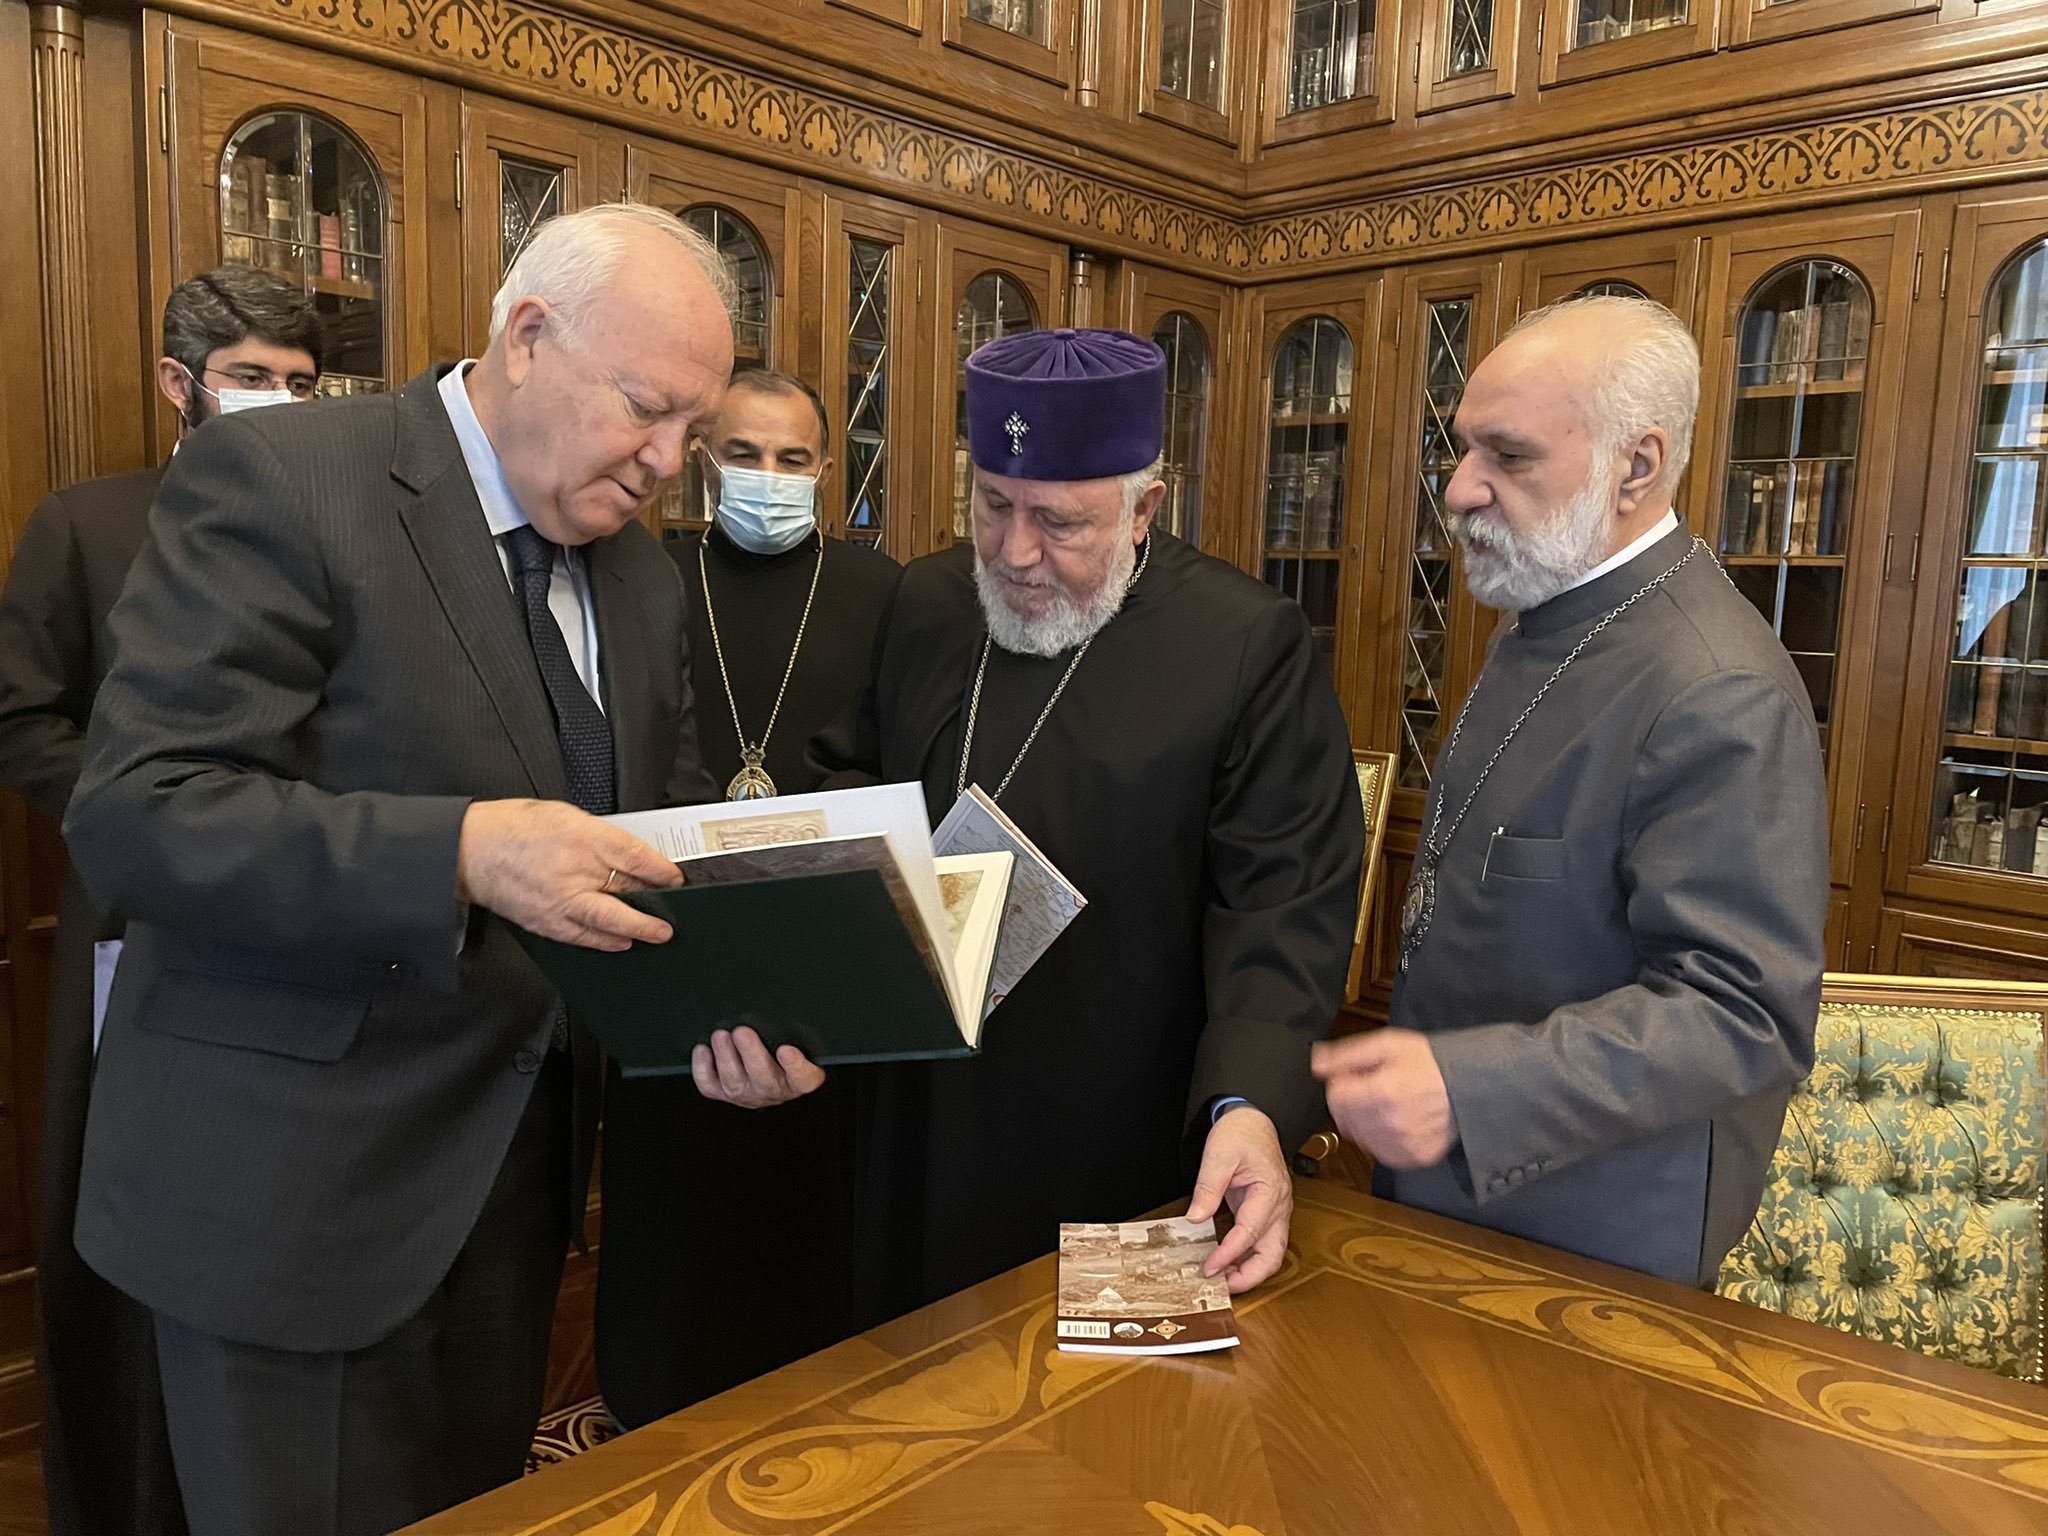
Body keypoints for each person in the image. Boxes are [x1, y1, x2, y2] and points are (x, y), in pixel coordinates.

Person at [60, 203, 815, 1536]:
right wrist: (460, 851)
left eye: (692, 430)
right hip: (289, 1210)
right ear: (527, 338)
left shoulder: (641, 579)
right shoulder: (287, 478)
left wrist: (743, 1004)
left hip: (505, 1210)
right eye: (647, 409)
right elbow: (141, 809)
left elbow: (661, 840)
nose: (668, 464)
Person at [810, 326, 1364, 1319]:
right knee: (909, 1371)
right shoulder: (930, 600)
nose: (1014, 552)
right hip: (922, 1106)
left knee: (1095, 1398)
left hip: (1117, 1113)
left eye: (1058, 523)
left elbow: (1284, 904)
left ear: (1144, 507)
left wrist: (1248, 1104)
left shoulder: (1245, 642)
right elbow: (857, 777)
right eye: (992, 505)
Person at [1316, 294, 1827, 1287]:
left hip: (1588, 1244)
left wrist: (1468, 1090)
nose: (1458, 489)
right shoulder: (1545, 610)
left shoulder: (1716, 687)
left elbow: (1741, 1013)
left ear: (1636, 466)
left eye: (1507, 457)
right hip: (1451, 1193)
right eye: (1463, 449)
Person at [0, 264, 323, 1536]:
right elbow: (23, 716)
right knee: (132, 1209)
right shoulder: (87, 524)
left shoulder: (335, 524)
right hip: (135, 920)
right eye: (252, 378)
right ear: (179, 383)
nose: (280, 399)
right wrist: (157, 818)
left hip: (307, 921)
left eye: (300, 382)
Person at [598, 369, 901, 1427]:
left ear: (826, 470)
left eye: (791, 459)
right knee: (676, 1221)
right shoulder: (638, 576)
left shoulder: (881, 592)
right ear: (700, 459)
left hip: (825, 951)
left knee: (813, 1229)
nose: (767, 476)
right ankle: (655, 1421)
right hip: (673, 942)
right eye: (741, 454)